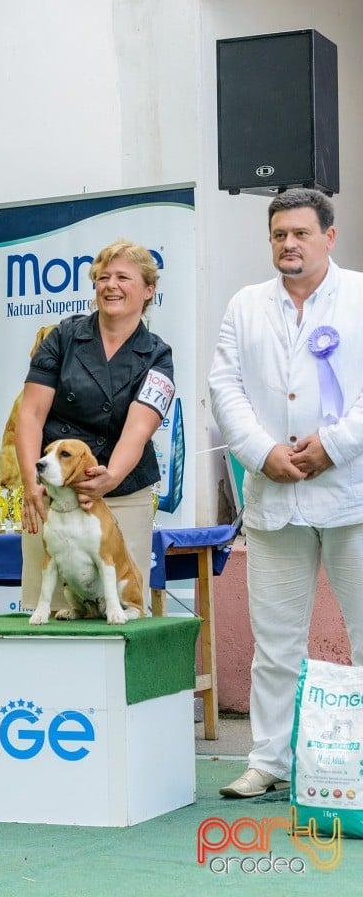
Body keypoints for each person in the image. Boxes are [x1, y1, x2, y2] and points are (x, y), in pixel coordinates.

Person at [209, 187, 363, 798]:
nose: (288, 245)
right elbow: (224, 386)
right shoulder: (245, 306)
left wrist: (337, 444)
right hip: (274, 497)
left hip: (352, 494)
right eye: (278, 235)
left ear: (329, 236)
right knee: (274, 645)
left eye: (300, 233)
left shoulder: (361, 296)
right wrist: (260, 451)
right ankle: (270, 761)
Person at [15, 239, 175, 612]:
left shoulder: (158, 354)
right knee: (52, 610)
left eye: (123, 277)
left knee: (124, 611)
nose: (110, 285)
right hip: (54, 495)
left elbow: (139, 428)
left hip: (124, 494)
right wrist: (30, 483)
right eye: (103, 277)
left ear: (148, 290)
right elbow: (31, 414)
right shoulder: (61, 337)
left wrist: (110, 477)